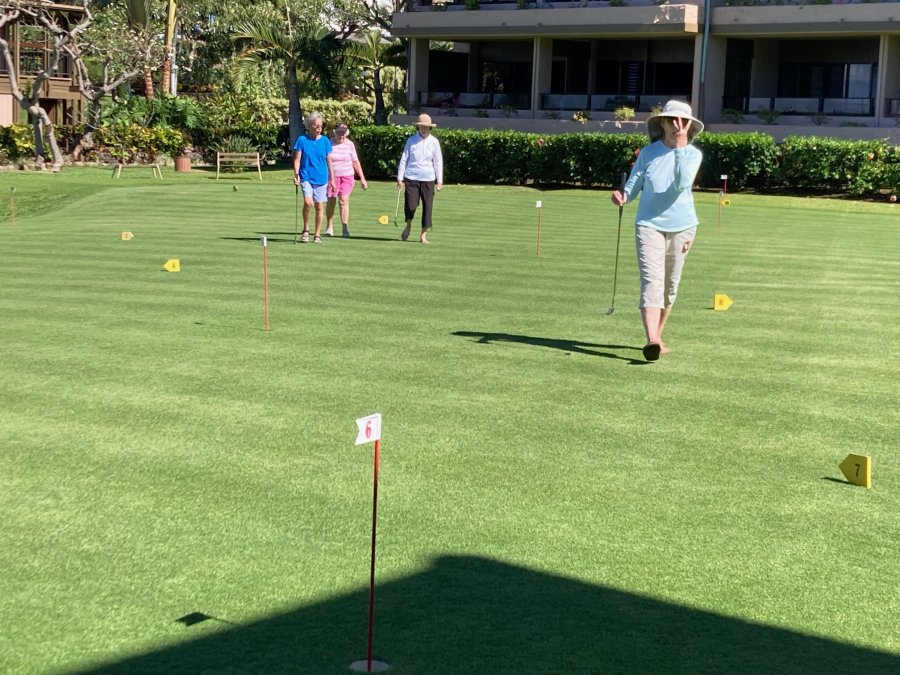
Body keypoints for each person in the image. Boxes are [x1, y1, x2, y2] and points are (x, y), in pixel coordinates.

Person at [610, 100, 704, 362]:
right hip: (649, 225)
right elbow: (634, 184)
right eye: (671, 120)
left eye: (683, 122)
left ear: (689, 126)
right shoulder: (648, 153)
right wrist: (623, 196)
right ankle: (651, 339)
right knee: (652, 282)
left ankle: (658, 336)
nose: (677, 126)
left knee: (669, 286)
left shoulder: (693, 154)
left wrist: (680, 148)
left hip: (683, 226)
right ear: (661, 123)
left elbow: (682, 183)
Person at [397, 113, 444, 244]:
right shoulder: (411, 141)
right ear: (418, 127)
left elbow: (438, 161)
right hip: (411, 177)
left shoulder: (434, 142)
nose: (424, 129)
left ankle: (423, 235)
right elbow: (404, 159)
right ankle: (408, 224)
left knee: (428, 207)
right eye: (421, 127)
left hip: (428, 178)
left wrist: (440, 180)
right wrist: (400, 178)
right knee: (411, 205)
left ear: (430, 128)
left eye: (426, 127)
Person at [293, 112, 335, 243]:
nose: (319, 129)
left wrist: (332, 179)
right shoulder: (302, 140)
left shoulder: (325, 141)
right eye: (316, 126)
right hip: (306, 176)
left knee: (319, 206)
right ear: (309, 126)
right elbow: (297, 160)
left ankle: (317, 234)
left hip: (321, 177)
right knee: (308, 203)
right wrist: (296, 175)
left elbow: (329, 161)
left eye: (321, 126)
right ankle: (306, 229)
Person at [325, 123, 368, 238]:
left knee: (344, 200)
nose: (341, 135)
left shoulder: (350, 144)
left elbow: (355, 161)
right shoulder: (329, 143)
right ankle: (329, 226)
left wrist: (362, 179)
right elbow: (325, 160)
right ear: (335, 132)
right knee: (331, 200)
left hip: (347, 176)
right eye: (339, 132)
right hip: (333, 176)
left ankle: (345, 227)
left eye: (343, 132)